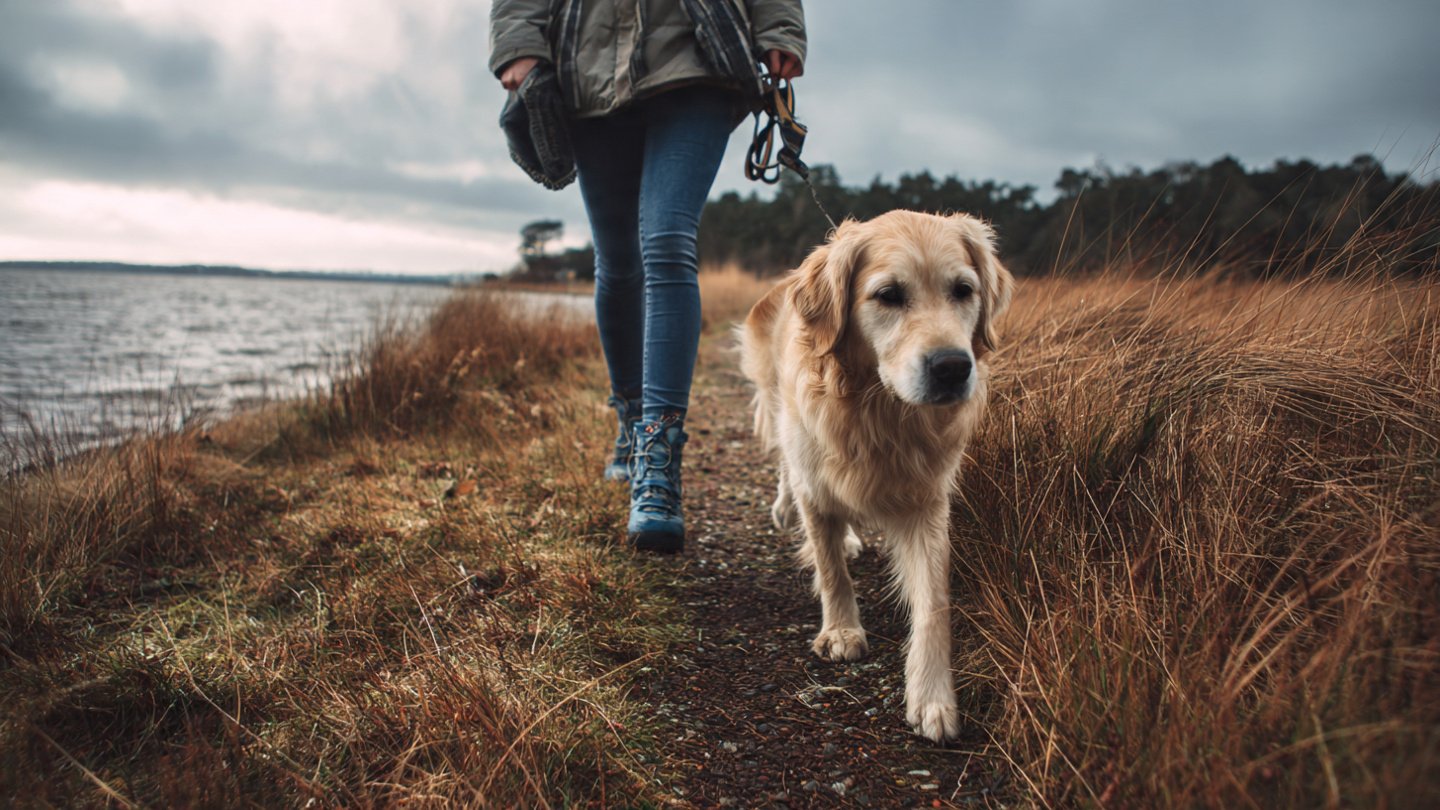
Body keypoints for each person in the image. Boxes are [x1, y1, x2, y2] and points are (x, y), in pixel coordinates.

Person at [490, 0, 807, 553]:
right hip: (585, 67)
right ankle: (631, 419)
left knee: (665, 242)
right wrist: (517, 44)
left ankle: (658, 463)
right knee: (616, 261)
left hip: (700, 57)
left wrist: (779, 28)